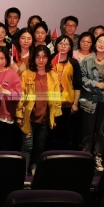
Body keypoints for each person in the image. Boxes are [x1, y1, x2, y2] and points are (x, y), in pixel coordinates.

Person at [15, 45, 61, 175]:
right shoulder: (26, 74)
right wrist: (18, 115)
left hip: (45, 116)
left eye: (44, 57)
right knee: (27, 145)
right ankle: (23, 170)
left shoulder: (53, 75)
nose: (41, 60)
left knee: (40, 145)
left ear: (48, 59)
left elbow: (57, 98)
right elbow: (21, 96)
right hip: (28, 115)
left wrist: (55, 117)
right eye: (38, 57)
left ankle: (35, 165)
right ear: (34, 58)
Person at [79, 33, 104, 172]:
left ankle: (98, 157)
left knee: (101, 132)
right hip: (90, 101)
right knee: (88, 132)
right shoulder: (86, 61)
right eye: (99, 41)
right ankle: (85, 157)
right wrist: (95, 84)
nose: (101, 44)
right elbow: (82, 79)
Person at [50, 35, 82, 150]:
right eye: (61, 43)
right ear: (56, 45)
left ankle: (63, 154)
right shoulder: (49, 60)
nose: (63, 46)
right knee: (50, 132)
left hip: (67, 103)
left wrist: (75, 103)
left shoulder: (73, 63)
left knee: (64, 132)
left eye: (66, 44)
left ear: (70, 47)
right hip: (50, 101)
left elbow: (77, 85)